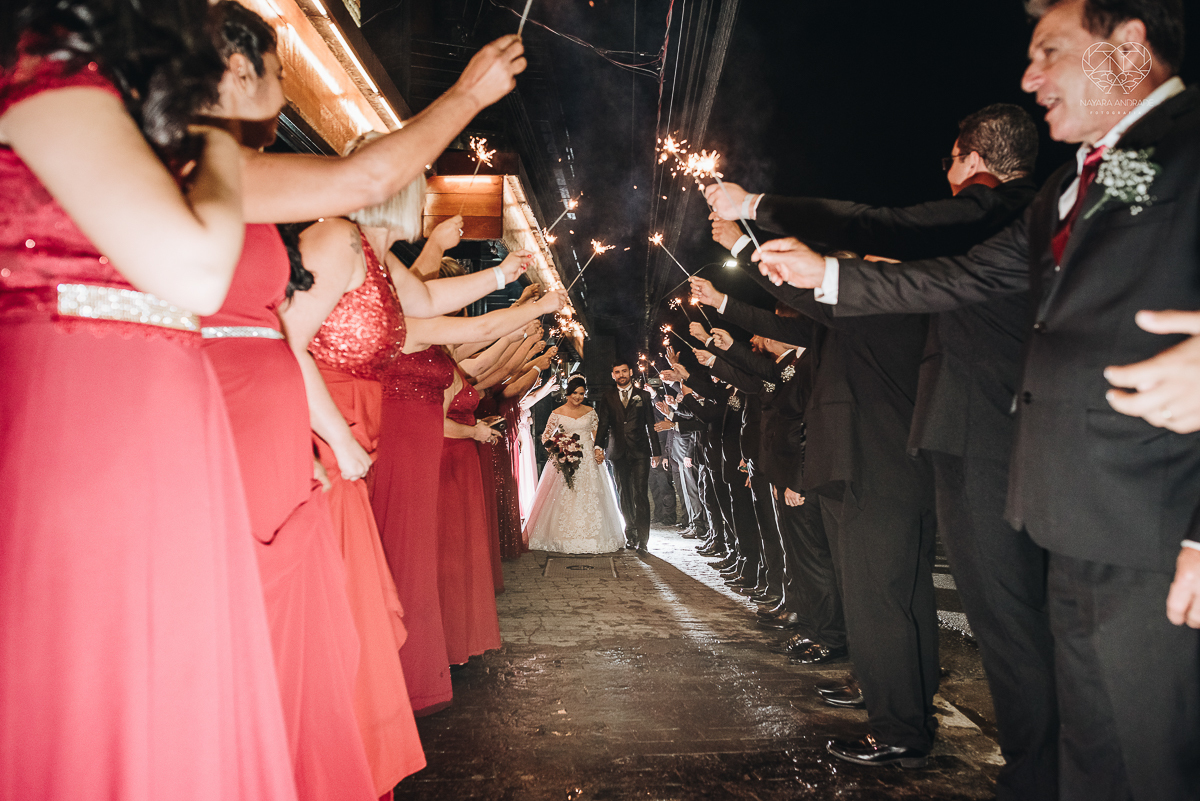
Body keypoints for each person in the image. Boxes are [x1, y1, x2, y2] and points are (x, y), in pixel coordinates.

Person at [752, 1, 1199, 796]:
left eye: (1050, 51)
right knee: (1090, 732)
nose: (1029, 78)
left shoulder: (1190, 140)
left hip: (1157, 511)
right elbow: (968, 276)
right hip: (1068, 498)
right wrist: (829, 277)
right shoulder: (1090, 178)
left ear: (1128, 49)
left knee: (1150, 748)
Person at [709, 103, 1056, 799]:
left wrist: (753, 221)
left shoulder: (989, 219)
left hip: (947, 444)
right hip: (951, 443)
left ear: (971, 158)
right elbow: (840, 289)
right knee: (965, 611)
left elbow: (852, 272)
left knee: (968, 614)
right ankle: (978, 744)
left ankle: (916, 731)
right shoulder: (988, 238)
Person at [0, 2, 298, 798]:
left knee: (172, 674)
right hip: (89, 421)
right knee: (104, 677)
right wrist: (218, 134)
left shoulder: (118, 104)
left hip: (158, 416)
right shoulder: (51, 81)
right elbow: (198, 269)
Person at [525, 376, 627, 554]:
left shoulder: (590, 412)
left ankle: (594, 535)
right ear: (568, 393)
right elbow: (545, 437)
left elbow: (597, 435)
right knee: (567, 493)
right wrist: (560, 447)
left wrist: (598, 450)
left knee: (591, 493)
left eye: (581, 393)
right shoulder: (557, 413)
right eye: (574, 393)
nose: (578, 397)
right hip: (565, 457)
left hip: (587, 458)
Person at [595, 362, 663, 551]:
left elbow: (651, 424)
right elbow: (603, 424)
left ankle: (643, 539)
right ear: (612, 375)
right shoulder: (608, 396)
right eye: (617, 372)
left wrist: (656, 451)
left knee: (640, 493)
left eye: (624, 371)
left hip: (640, 451)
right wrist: (598, 446)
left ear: (630, 372)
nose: (621, 375)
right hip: (617, 451)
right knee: (624, 493)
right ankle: (630, 533)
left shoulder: (644, 396)